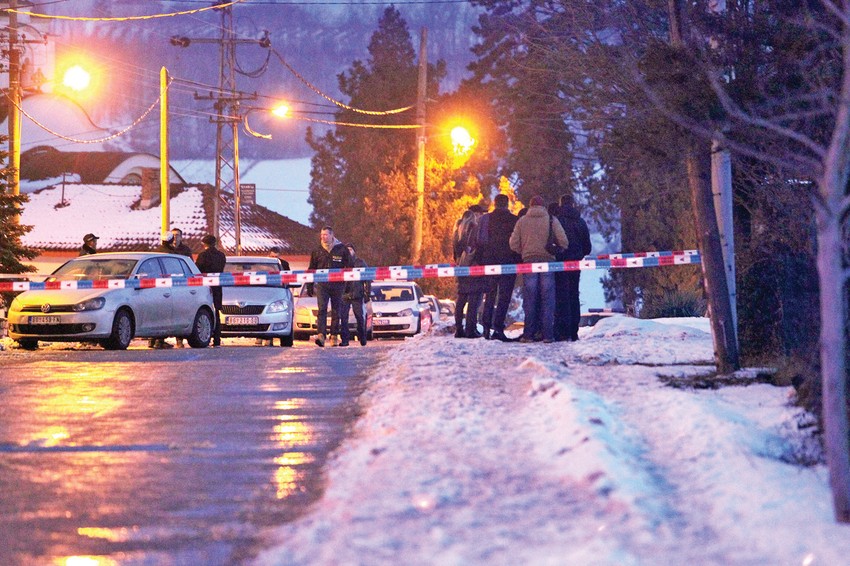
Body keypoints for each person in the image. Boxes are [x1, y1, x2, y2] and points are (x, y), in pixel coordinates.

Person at [509, 194, 568, 343]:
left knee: (530, 299)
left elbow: (513, 243)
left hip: (529, 262)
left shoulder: (522, 221)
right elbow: (564, 241)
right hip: (548, 262)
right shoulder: (551, 220)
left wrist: (524, 251)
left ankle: (528, 334)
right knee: (548, 299)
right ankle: (548, 335)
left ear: (530, 206)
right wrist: (555, 250)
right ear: (543, 206)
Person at [477, 194, 520, 342]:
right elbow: (517, 243)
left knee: (489, 296)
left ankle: (486, 328)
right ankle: (498, 328)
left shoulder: (486, 219)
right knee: (504, 297)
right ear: (507, 204)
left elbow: (480, 241)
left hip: (490, 263)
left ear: (494, 204)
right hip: (509, 263)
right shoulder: (514, 220)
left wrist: (481, 260)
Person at [554, 194, 593, 342]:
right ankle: (573, 330)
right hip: (575, 263)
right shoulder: (580, 222)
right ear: (573, 204)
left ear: (560, 204)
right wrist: (579, 254)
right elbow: (587, 247)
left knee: (561, 295)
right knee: (574, 295)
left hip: (559, 263)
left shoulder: (557, 221)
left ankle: (562, 330)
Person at [306, 226, 353, 347]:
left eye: (326, 235)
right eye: (322, 235)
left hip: (338, 285)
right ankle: (321, 335)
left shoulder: (341, 249)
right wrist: (309, 284)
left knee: (336, 311)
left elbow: (350, 267)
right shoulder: (317, 250)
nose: (323, 237)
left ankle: (334, 336)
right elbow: (312, 268)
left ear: (332, 235)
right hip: (322, 285)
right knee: (322, 309)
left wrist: (348, 284)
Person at [452, 204, 487, 338]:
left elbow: (455, 251)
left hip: (460, 267)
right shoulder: (474, 227)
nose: (481, 216)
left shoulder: (458, 227)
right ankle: (470, 329)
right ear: (475, 214)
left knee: (461, 298)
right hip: (473, 267)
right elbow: (478, 247)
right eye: (480, 213)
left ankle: (459, 329)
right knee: (474, 299)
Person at [195, 234, 227, 347]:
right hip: (217, 286)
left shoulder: (202, 256)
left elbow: (197, 271)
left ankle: (207, 336)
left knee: (205, 311)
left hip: (206, 286)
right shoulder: (221, 255)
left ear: (204, 244)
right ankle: (217, 338)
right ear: (215, 243)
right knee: (216, 311)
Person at [339, 243, 371, 347]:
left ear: (354, 251)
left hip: (357, 294)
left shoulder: (360, 262)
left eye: (350, 249)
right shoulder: (342, 263)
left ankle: (362, 337)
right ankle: (345, 340)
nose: (349, 252)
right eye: (347, 250)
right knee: (343, 318)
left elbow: (368, 278)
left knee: (359, 317)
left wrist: (367, 293)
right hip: (344, 294)